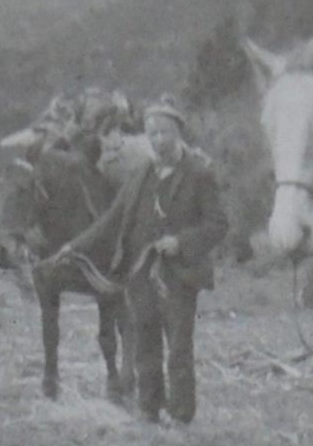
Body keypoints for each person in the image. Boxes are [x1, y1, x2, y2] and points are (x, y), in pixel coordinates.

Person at [51, 97, 227, 424]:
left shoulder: (199, 174)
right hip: (139, 273)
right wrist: (73, 247)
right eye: (152, 134)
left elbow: (218, 224)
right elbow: (112, 218)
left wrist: (181, 242)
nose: (158, 140)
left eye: (164, 133)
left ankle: (181, 416)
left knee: (178, 348)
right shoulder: (141, 173)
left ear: (178, 134)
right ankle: (148, 410)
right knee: (145, 342)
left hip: (179, 275)